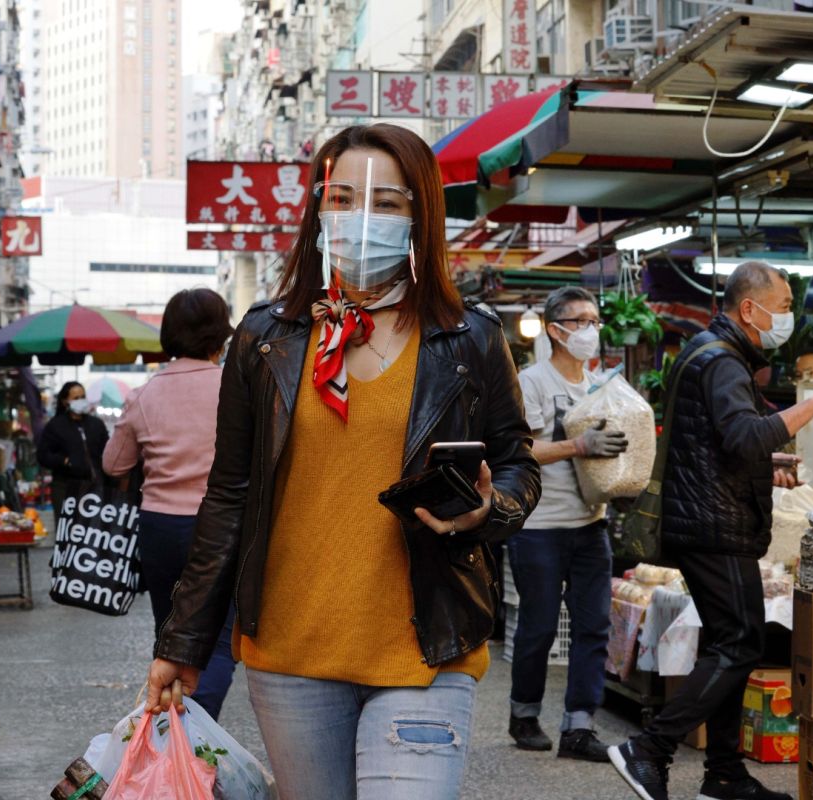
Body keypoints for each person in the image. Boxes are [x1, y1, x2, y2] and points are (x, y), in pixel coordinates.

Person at [144, 123, 541, 800]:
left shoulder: (467, 337)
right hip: (291, 652)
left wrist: (487, 508)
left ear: (420, 216)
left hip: (426, 647)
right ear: (318, 211)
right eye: (344, 198)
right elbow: (230, 495)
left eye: (386, 203)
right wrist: (182, 642)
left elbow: (517, 465)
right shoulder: (265, 338)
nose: (362, 219)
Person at [609, 261, 813, 800]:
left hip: (707, 519)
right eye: (781, 307)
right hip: (713, 526)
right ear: (749, 309)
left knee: (729, 642)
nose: (787, 318)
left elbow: (724, 444)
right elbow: (744, 437)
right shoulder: (723, 361)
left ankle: (724, 775)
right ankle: (649, 748)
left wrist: (766, 460)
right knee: (740, 644)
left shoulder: (710, 352)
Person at [102, 287, 237, 720]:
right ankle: (194, 728)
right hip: (223, 524)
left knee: (171, 634)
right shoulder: (237, 387)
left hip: (160, 527)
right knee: (219, 639)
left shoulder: (145, 394)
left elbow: (114, 463)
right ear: (221, 335)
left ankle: (177, 725)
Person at [508, 286, 625, 762]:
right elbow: (523, 451)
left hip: (591, 523)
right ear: (556, 330)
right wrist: (579, 446)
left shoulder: (603, 386)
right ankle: (523, 714)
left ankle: (579, 727)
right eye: (581, 322)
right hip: (538, 525)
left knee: (594, 625)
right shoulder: (531, 382)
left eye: (595, 321)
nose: (591, 330)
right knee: (538, 625)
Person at [36, 382, 109, 519]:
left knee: (92, 531)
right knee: (68, 530)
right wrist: (64, 461)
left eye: (83, 396)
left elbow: (107, 451)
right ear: (65, 401)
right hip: (65, 487)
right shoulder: (55, 426)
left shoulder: (96, 424)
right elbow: (43, 455)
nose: (81, 401)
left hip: (94, 486)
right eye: (76, 398)